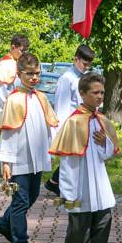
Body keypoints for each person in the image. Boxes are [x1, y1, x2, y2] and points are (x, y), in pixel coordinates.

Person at [49, 72, 118, 243]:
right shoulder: (74, 122)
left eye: (102, 93)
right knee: (79, 224)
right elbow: (68, 161)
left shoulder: (101, 120)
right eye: (95, 93)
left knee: (103, 219)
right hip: (79, 182)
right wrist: (68, 192)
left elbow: (106, 154)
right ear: (82, 93)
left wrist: (103, 142)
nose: (100, 97)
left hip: (99, 181)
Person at [0, 52, 58, 243]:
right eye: (29, 73)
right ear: (19, 74)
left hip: (36, 157)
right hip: (19, 158)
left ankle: (4, 223)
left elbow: (48, 126)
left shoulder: (40, 97)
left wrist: (51, 149)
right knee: (20, 200)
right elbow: (8, 133)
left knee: (32, 196)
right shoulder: (14, 99)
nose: (34, 77)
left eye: (37, 73)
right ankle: (20, 241)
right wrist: (6, 161)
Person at [44, 44, 94, 195]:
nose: (86, 67)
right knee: (70, 160)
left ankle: (55, 183)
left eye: (89, 65)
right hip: (71, 126)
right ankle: (64, 189)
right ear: (76, 59)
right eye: (84, 64)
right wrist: (61, 132)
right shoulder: (67, 79)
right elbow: (62, 107)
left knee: (79, 158)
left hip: (84, 124)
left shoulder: (85, 77)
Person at [0, 34, 28, 127]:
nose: (23, 54)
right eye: (22, 51)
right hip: (9, 116)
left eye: (25, 51)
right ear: (13, 47)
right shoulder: (5, 64)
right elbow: (0, 95)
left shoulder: (16, 62)